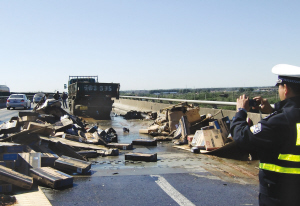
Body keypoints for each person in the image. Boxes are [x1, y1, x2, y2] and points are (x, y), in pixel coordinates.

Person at [230, 64, 300, 206]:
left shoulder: (279, 121)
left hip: (280, 193)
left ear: (285, 89)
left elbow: (242, 137)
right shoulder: (281, 119)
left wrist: (240, 112)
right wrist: (273, 112)